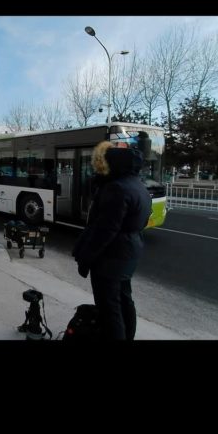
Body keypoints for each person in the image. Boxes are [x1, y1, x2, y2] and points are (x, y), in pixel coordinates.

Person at [72, 140, 152, 340]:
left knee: (110, 309)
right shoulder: (138, 186)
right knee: (125, 300)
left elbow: (104, 231)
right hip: (129, 253)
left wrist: (86, 257)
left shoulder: (116, 188)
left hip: (111, 258)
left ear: (113, 164)